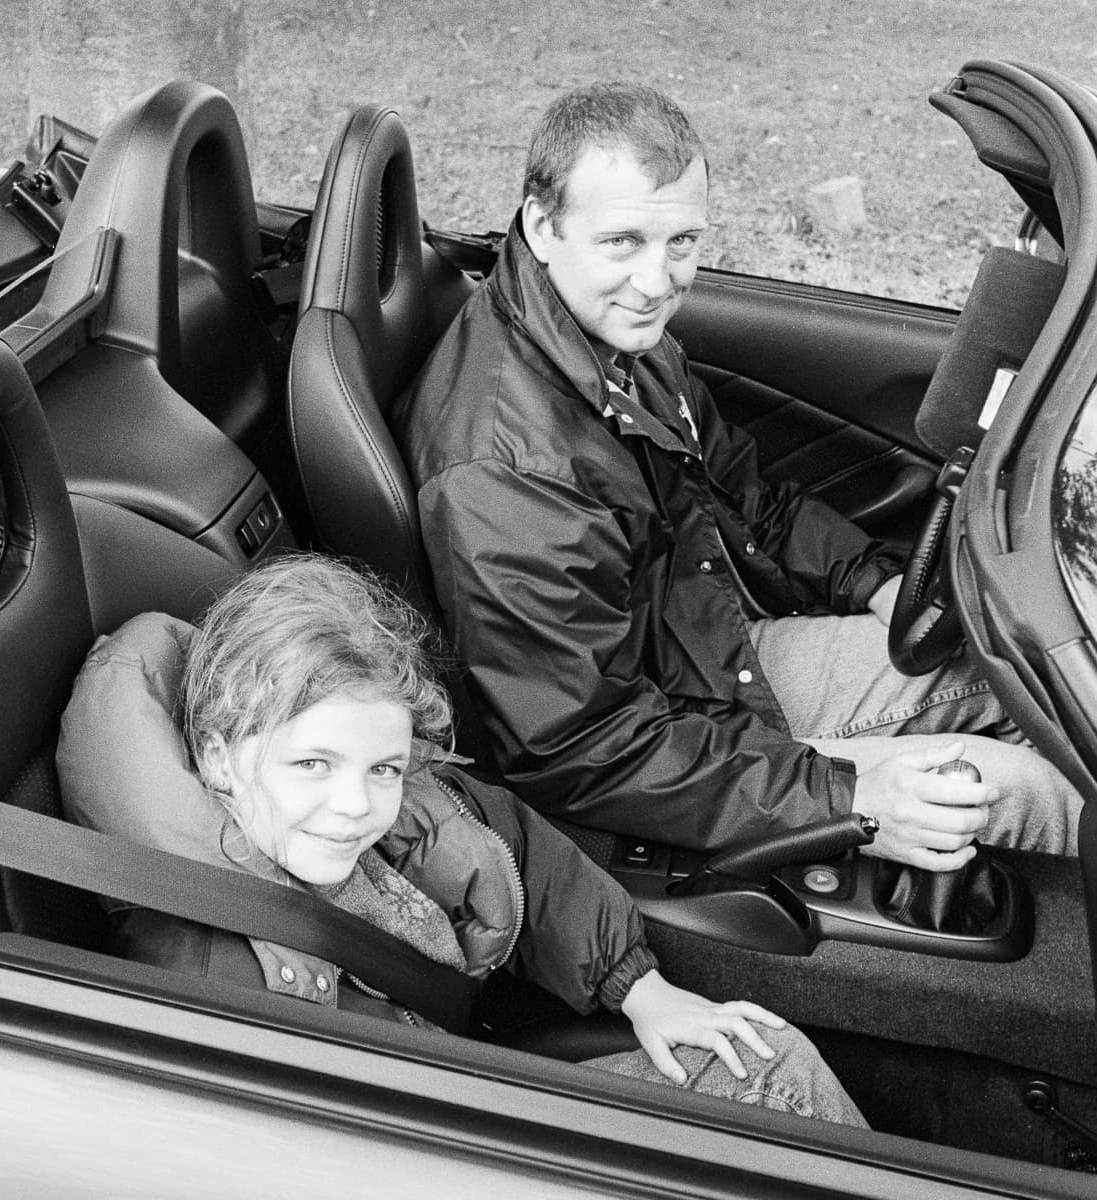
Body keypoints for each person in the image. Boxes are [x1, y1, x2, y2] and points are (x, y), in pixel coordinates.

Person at [393, 81, 1082, 870]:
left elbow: (746, 501)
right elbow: (580, 746)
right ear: (542, 226)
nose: (658, 282)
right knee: (1026, 786)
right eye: (623, 242)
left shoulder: (616, 340)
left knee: (1020, 662)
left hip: (704, 649)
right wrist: (852, 803)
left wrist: (878, 585)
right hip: (669, 735)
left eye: (682, 242)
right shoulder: (510, 470)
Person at [56, 554, 866, 1126]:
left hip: (457, 1065)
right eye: (313, 764)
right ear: (220, 759)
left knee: (767, 1058)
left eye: (382, 767)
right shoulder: (207, 969)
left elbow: (522, 854)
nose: (354, 804)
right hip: (435, 1133)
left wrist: (637, 987)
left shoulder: (402, 811)